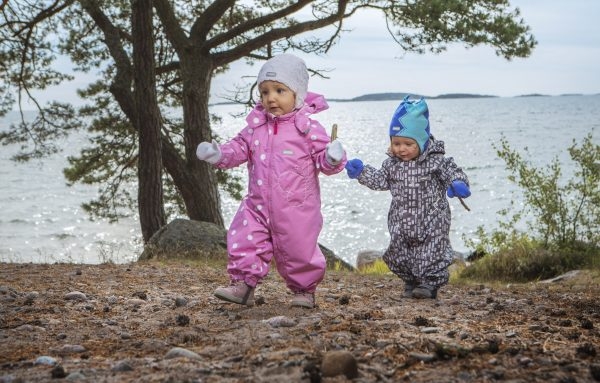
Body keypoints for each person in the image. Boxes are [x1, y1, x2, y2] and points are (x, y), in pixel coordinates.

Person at [196, 54, 347, 308]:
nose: (271, 98)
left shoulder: (307, 129)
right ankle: (243, 285)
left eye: (279, 90)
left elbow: (323, 162)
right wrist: (218, 154)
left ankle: (304, 290)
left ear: (297, 94)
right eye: (265, 92)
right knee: (245, 239)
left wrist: (332, 158)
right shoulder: (255, 128)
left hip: (297, 207)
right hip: (257, 205)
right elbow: (238, 149)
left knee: (300, 249)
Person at [345, 95, 470, 299]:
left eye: (407, 143)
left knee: (431, 251)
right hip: (401, 220)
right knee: (400, 252)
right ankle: (411, 280)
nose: (401, 149)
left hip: (432, 219)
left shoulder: (435, 162)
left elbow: (452, 171)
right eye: (396, 143)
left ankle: (429, 283)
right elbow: (379, 180)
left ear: (421, 142)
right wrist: (361, 172)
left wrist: (458, 183)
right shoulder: (392, 165)